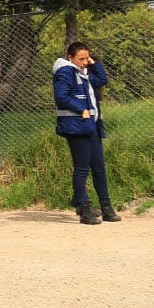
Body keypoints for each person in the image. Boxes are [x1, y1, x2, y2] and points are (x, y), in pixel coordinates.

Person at [53, 41, 120, 224]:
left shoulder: (84, 71)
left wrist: (93, 63)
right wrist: (80, 108)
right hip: (76, 126)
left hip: (92, 125)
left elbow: (102, 80)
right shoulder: (65, 72)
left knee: (99, 167)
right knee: (82, 168)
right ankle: (83, 209)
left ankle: (106, 207)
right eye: (81, 59)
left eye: (86, 58)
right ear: (70, 57)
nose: (84, 62)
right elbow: (61, 97)